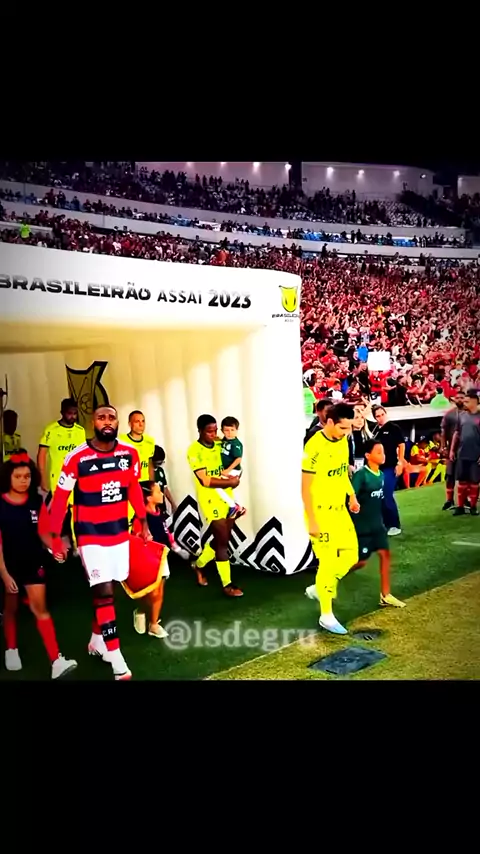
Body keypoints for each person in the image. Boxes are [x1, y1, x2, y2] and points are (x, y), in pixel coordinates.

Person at [47, 405, 151, 680]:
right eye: (101, 417)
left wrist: (143, 521)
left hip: (118, 531)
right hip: (89, 535)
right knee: (103, 591)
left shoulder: (129, 454)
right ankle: (117, 659)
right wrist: (55, 537)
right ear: (92, 422)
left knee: (109, 589)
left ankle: (96, 640)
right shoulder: (76, 457)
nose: (107, 422)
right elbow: (60, 498)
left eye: (111, 417)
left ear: (117, 422)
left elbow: (133, 487)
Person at [0, 452, 77, 677]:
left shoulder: (36, 501)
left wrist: (56, 548)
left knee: (40, 609)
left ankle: (56, 661)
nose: (23, 481)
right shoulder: (1, 503)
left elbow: (44, 531)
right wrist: (4, 573)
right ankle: (11, 649)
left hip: (33, 562)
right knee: (11, 609)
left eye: (27, 476)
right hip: (8, 565)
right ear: (8, 478)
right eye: (18, 477)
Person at [303, 402, 360, 635]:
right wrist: (312, 520)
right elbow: (305, 488)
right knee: (327, 563)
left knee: (351, 555)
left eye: (349, 428)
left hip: (339, 510)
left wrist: (351, 495)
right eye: (342, 428)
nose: (347, 432)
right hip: (320, 512)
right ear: (329, 422)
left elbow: (341, 472)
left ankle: (320, 587)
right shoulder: (314, 446)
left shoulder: (343, 440)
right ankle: (326, 616)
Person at [187, 414, 243, 596]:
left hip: (227, 498)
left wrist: (236, 476)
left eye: (215, 430)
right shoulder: (194, 451)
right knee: (222, 543)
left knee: (222, 539)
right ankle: (227, 585)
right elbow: (204, 480)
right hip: (210, 499)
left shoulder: (220, 444)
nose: (213, 434)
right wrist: (230, 482)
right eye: (209, 431)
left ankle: (199, 564)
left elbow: (234, 460)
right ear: (200, 431)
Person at [348, 440, 405, 607]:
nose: (383, 455)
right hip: (363, 527)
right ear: (368, 455)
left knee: (385, 555)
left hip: (378, 526)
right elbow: (351, 498)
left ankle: (385, 595)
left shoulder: (381, 475)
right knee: (361, 562)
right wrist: (353, 505)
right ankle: (331, 577)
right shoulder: (361, 475)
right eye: (379, 452)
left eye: (383, 452)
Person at [37, 398, 86, 551]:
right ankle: (52, 545)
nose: (72, 416)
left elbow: (83, 455)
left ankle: (77, 546)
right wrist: (42, 478)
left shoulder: (80, 431)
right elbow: (42, 454)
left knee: (77, 512)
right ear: (62, 412)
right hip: (58, 479)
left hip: (77, 479)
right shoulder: (51, 430)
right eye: (69, 413)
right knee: (57, 513)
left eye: (75, 413)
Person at [127, 481, 171, 639]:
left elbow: (165, 531)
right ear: (148, 498)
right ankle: (142, 611)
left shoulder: (159, 512)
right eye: (158, 492)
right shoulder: (140, 518)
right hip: (147, 559)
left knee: (159, 592)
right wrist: (142, 537)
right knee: (151, 592)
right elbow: (135, 539)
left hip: (161, 557)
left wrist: (174, 545)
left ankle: (153, 623)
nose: (162, 494)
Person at [371, 405, 405, 536]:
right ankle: (385, 524)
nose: (381, 418)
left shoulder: (393, 428)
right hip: (377, 468)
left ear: (386, 414)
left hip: (390, 466)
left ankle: (394, 524)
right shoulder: (375, 430)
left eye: (382, 415)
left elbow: (401, 445)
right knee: (379, 496)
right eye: (377, 416)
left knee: (386, 494)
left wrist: (400, 462)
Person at [450, 390, 480, 516]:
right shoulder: (461, 415)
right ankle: (460, 507)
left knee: (474, 483)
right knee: (461, 482)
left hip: (476, 455)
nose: (464, 403)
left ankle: (473, 507)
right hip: (462, 454)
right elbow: (456, 433)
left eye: (467, 401)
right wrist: (452, 450)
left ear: (474, 402)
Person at [214, 416, 246, 520]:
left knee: (216, 485)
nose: (229, 433)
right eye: (226, 430)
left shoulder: (236, 444)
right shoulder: (225, 440)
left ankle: (233, 506)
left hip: (233, 470)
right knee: (230, 490)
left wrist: (228, 471)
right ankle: (239, 507)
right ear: (222, 430)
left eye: (232, 430)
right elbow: (221, 442)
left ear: (237, 430)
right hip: (229, 470)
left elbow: (238, 459)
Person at [441, 391, 465, 510]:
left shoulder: (471, 413)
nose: (459, 399)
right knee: (450, 475)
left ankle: (465, 499)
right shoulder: (449, 414)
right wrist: (444, 447)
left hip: (467, 449)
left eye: (462, 397)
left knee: (466, 475)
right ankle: (449, 500)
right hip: (452, 449)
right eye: (457, 397)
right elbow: (443, 432)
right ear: (454, 399)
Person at [119, 410, 155, 483]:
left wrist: (152, 483)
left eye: (143, 421)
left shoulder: (150, 441)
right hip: (130, 482)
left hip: (145, 482)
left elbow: (150, 464)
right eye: (137, 421)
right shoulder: (121, 441)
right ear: (130, 424)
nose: (141, 424)